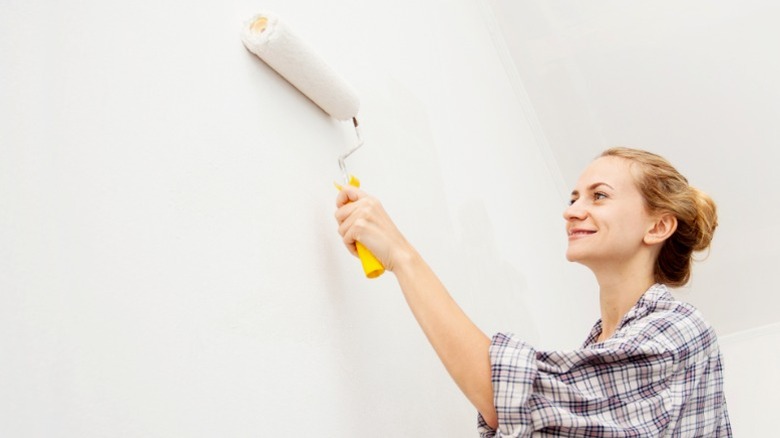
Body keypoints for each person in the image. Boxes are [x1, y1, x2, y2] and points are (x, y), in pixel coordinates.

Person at [334, 147, 732, 436]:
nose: (571, 210)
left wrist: (401, 256)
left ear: (658, 227)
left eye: (599, 195)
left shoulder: (680, 329)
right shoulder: (601, 348)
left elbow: (508, 396)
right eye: (573, 198)